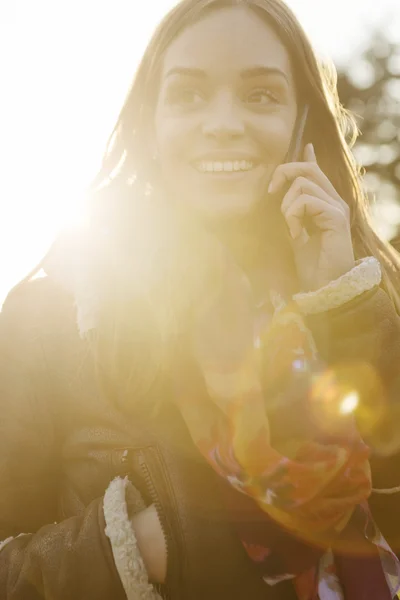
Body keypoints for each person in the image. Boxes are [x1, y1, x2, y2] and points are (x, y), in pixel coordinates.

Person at [2, 0, 400, 598]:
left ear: (299, 123)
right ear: (151, 125)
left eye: (260, 95)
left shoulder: (362, 293)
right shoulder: (54, 315)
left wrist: (341, 308)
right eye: (188, 95)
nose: (222, 122)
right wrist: (137, 548)